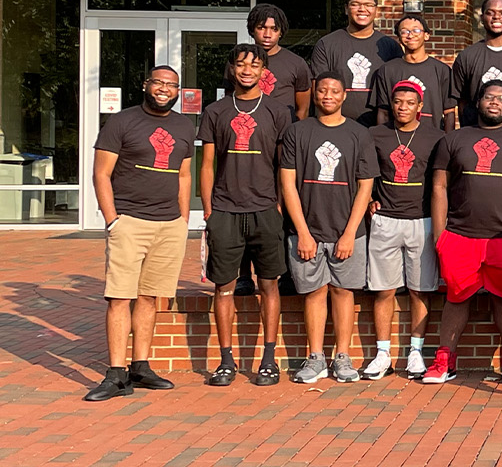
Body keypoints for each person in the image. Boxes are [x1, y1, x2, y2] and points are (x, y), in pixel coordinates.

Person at [85, 65, 195, 401]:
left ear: (178, 91)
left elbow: (184, 175)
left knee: (150, 297)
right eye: (158, 83)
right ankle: (116, 373)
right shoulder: (121, 122)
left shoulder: (184, 125)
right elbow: (101, 174)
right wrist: (112, 219)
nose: (164, 89)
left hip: (168, 224)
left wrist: (182, 220)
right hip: (129, 221)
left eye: (171, 85)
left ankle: (140, 366)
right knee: (120, 297)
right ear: (145, 84)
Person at [426, 81, 502, 383]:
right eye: (489, 97)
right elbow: (439, 186)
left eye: (501, 99)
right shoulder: (455, 139)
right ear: (478, 102)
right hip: (460, 234)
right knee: (456, 297)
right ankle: (444, 360)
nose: (495, 103)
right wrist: (439, 235)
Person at [198, 44, 294, 387]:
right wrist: (209, 209)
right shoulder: (215, 111)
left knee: (269, 286)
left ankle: (268, 359)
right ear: (232, 69)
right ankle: (226, 362)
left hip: (265, 209)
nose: (247, 70)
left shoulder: (278, 111)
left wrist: (280, 205)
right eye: (241, 64)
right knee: (223, 288)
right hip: (225, 209)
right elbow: (207, 165)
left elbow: (285, 164)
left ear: (264, 71)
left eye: (254, 65)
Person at [281, 74, 378, 384]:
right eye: (322, 90)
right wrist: (303, 231)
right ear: (314, 92)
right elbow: (288, 184)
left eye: (334, 91)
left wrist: (350, 232)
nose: (328, 95)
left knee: (342, 290)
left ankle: (343, 356)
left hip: (346, 230)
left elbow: (365, 187)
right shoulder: (297, 132)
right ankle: (315, 357)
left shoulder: (359, 134)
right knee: (313, 292)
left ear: (344, 95)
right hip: (308, 228)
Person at [364, 80, 445, 380]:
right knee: (383, 289)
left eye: (409, 103)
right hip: (385, 219)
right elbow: (365, 172)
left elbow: (442, 182)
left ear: (420, 107)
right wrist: (371, 198)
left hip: (421, 220)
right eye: (398, 102)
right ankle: (382, 353)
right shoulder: (375, 135)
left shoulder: (436, 138)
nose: (402, 107)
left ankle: (415, 352)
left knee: (420, 289)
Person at [308, 0, 401, 126]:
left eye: (368, 5)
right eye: (355, 4)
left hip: (380, 127)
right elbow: (319, 90)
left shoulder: (390, 47)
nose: (362, 9)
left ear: (376, 10)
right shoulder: (327, 44)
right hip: (336, 127)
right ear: (346, 9)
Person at [371, 14, 457, 131]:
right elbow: (383, 112)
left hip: (432, 137)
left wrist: (448, 143)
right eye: (404, 31)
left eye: (416, 30)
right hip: (397, 138)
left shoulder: (442, 70)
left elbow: (449, 113)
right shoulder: (387, 70)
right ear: (399, 37)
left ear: (426, 35)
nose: (410, 35)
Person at [246, 3, 311, 120]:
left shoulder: (297, 64)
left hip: (283, 133)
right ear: (252, 29)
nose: (267, 35)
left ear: (281, 32)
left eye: (274, 29)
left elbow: (303, 109)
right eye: (261, 28)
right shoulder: (240, 63)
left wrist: (294, 135)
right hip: (248, 131)